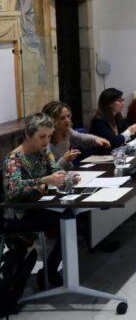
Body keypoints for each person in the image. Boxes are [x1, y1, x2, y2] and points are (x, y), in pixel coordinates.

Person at [2, 113, 79, 288]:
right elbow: (14, 189)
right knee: (68, 218)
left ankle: (50, 270)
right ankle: (50, 271)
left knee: (74, 217)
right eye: (42, 136)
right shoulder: (13, 159)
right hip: (18, 214)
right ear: (29, 135)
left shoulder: (44, 152)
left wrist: (68, 178)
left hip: (38, 206)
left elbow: (55, 172)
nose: (46, 141)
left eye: (49, 136)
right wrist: (46, 180)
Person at [41, 101, 110, 167]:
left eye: (68, 116)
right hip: (57, 175)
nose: (67, 120)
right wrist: (65, 160)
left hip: (69, 173)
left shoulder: (67, 131)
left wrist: (96, 139)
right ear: (52, 120)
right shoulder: (45, 142)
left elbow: (80, 138)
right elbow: (51, 172)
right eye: (62, 118)